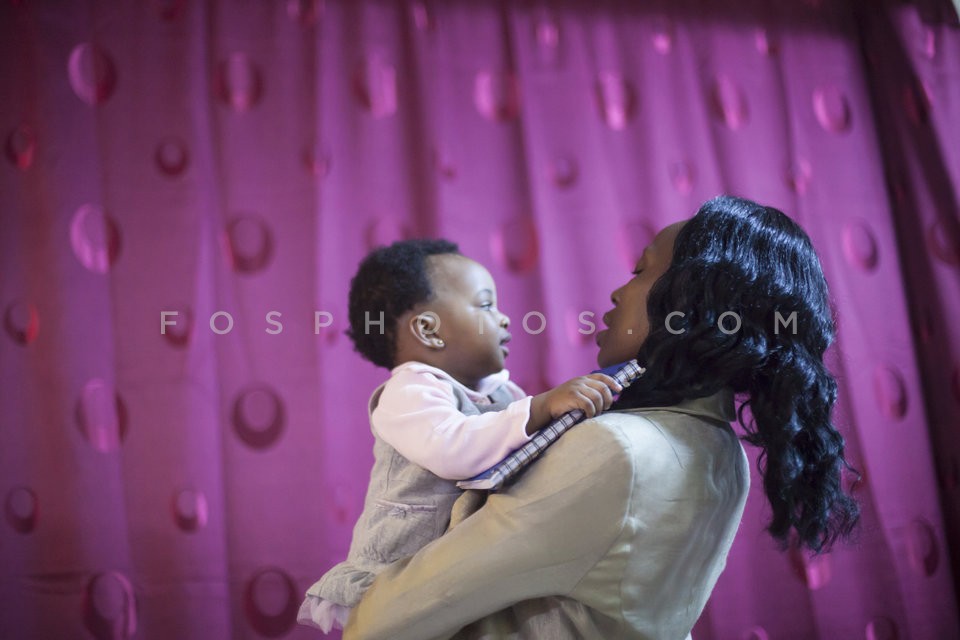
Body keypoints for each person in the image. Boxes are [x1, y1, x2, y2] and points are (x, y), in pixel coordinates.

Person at [343, 196, 860, 640]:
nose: (617, 292)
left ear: (693, 301)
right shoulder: (725, 455)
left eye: (640, 272)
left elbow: (393, 614)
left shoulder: (614, 449)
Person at [298, 239, 623, 632]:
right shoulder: (410, 391)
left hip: (460, 572)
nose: (504, 319)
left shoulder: (504, 395)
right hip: (398, 575)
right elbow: (455, 449)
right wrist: (540, 408)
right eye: (486, 305)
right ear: (429, 330)